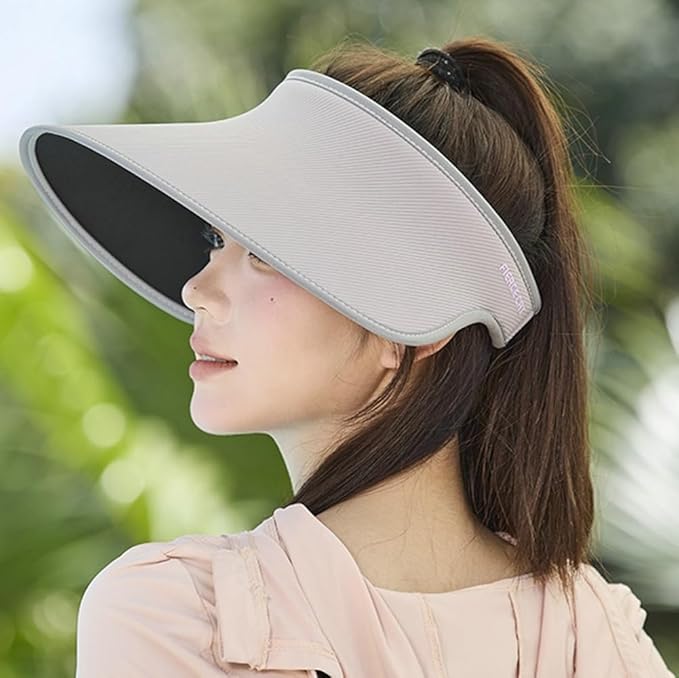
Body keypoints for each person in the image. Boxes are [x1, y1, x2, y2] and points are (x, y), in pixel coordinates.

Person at [19, 34, 674, 677]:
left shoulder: (185, 618)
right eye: (215, 240)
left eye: (263, 253)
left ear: (414, 321)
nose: (197, 290)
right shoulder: (592, 637)